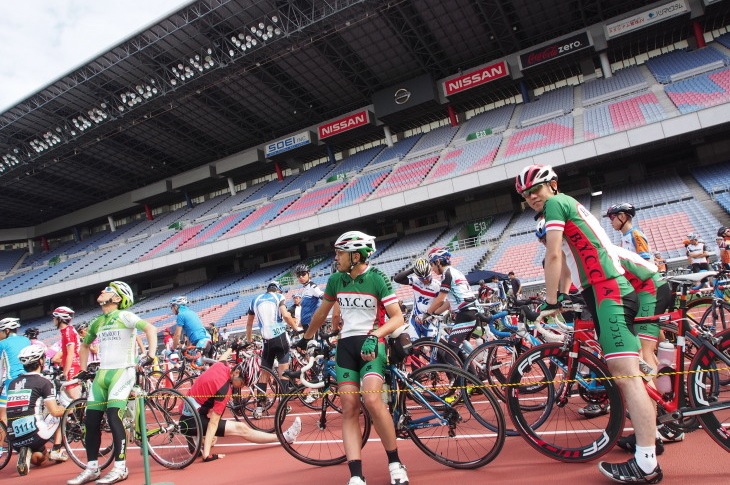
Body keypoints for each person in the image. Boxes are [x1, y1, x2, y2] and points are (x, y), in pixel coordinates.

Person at [516, 164, 661, 483]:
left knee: (627, 376)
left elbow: (553, 256)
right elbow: (565, 264)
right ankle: (651, 439)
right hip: (602, 289)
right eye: (525, 194)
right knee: (631, 372)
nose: (531, 197)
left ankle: (647, 463)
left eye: (535, 189)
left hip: (608, 288)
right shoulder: (563, 205)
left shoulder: (555, 203)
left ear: (552, 185)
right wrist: (559, 297)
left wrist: (551, 303)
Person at [295, 231, 408, 485]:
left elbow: (398, 317)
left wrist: (376, 334)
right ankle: (356, 475)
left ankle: (396, 464)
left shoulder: (378, 278)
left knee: (371, 399)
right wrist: (305, 337)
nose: (336, 258)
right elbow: (322, 313)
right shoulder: (336, 280)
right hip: (345, 346)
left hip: (372, 343)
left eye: (340, 253)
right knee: (348, 408)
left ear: (356, 256)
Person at [67, 281, 157, 485]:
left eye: (108, 290)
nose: (102, 291)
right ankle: (92, 468)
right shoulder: (97, 321)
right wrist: (82, 370)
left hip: (122, 372)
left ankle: (120, 468)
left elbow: (150, 328)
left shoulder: (125, 315)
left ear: (116, 298)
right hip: (102, 375)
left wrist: (151, 354)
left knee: (114, 416)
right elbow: (85, 345)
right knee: (90, 422)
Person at [180, 360, 301, 461]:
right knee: (240, 428)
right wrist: (207, 455)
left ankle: (196, 439)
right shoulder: (224, 389)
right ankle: (285, 437)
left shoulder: (220, 365)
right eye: (243, 383)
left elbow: (223, 357)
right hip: (191, 422)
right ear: (236, 372)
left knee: (213, 437)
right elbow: (213, 423)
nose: (242, 387)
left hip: (187, 412)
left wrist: (230, 349)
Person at [7, 344, 68, 476]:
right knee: (61, 413)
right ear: (40, 361)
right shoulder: (44, 382)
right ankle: (57, 450)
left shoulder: (12, 383)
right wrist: (68, 409)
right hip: (36, 433)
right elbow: (54, 412)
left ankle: (26, 451)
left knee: (40, 458)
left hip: (14, 438)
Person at [424, 247, 479, 361]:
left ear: (438, 261)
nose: (432, 269)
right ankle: (474, 373)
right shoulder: (455, 271)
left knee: (449, 356)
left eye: (432, 264)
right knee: (459, 351)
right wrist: (433, 314)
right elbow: (449, 303)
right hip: (471, 313)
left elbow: (440, 299)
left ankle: (468, 378)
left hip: (465, 316)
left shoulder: (446, 274)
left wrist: (427, 313)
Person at [246, 281, 300, 396]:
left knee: (264, 373)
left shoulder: (255, 300)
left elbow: (249, 324)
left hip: (266, 340)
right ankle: (284, 405)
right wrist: (296, 328)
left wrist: (249, 340)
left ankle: (260, 407)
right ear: (278, 290)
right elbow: (285, 315)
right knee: (283, 371)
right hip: (280, 337)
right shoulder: (279, 296)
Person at [393, 257, 443, 340]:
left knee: (433, 346)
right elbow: (397, 279)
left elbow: (441, 303)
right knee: (414, 347)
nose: (425, 280)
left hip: (430, 320)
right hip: (415, 320)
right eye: (421, 279)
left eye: (427, 277)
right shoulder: (415, 281)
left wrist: (431, 316)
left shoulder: (437, 286)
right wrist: (413, 269)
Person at [0, 317, 32, 426]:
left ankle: (6, 441)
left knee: (2, 415)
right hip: (28, 379)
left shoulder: (2, 344)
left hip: (11, 381)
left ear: (7, 330)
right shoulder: (26, 340)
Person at [170, 296, 212, 368]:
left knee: (198, 364)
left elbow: (177, 335)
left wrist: (173, 348)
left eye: (171, 307)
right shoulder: (191, 312)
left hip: (201, 342)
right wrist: (187, 347)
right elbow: (189, 336)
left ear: (176, 306)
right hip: (206, 340)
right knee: (206, 366)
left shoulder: (181, 315)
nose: (171, 310)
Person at [53, 306, 82, 400]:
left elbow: (71, 353)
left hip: (73, 366)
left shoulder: (67, 332)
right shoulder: (66, 330)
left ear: (60, 319)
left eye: (54, 317)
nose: (53, 320)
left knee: (75, 398)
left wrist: (65, 372)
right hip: (72, 364)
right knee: (70, 397)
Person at [293, 263, 324, 332]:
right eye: (298, 275)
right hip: (305, 324)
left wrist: (320, 314)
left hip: (312, 324)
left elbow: (325, 297)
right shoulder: (304, 289)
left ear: (309, 274)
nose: (301, 277)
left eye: (303, 274)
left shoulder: (312, 286)